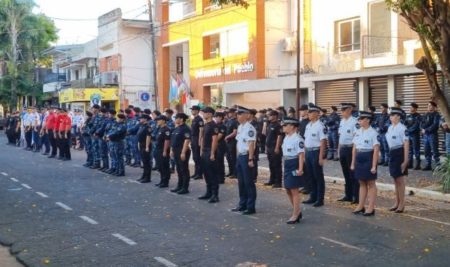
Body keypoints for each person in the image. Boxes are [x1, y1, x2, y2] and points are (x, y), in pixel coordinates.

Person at [351, 111, 380, 216]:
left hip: (368, 157)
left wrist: (373, 165)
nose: (359, 121)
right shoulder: (358, 131)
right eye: (359, 119)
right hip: (359, 157)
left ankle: (371, 207)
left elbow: (376, 150)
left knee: (371, 183)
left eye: (361, 119)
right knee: (362, 183)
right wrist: (353, 163)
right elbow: (354, 148)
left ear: (368, 120)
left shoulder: (373, 132)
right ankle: (360, 205)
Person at [231, 106, 257, 215]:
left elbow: (251, 144)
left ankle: (250, 207)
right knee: (241, 182)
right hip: (240, 156)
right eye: (238, 114)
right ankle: (242, 204)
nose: (238, 116)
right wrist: (238, 156)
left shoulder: (250, 128)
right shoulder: (240, 127)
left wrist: (250, 158)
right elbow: (238, 143)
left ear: (247, 115)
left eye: (240, 114)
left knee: (248, 182)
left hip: (247, 156)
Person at [281, 117, 305, 224]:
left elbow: (301, 154)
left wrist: (300, 169)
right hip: (287, 163)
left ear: (293, 127)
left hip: (294, 163)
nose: (284, 127)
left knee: (294, 190)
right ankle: (297, 210)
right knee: (287, 189)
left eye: (286, 125)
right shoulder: (286, 137)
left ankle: (295, 214)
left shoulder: (298, 139)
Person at [302, 104, 327, 207]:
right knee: (310, 176)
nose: (309, 114)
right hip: (308, 152)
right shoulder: (308, 125)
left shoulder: (320, 126)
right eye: (308, 112)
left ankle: (320, 199)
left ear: (317, 114)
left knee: (318, 176)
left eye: (311, 112)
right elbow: (305, 140)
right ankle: (313, 196)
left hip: (316, 152)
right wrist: (304, 154)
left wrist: (321, 157)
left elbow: (323, 142)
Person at [386, 107, 409, 213]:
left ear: (398, 116)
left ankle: (402, 204)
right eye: (390, 115)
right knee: (395, 180)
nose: (391, 117)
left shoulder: (402, 128)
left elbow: (406, 144)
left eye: (393, 115)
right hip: (392, 153)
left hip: (399, 152)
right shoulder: (390, 128)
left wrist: (405, 160)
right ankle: (397, 202)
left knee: (400, 180)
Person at [337, 103, 359, 204]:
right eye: (342, 110)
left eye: (344, 110)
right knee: (346, 173)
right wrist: (338, 150)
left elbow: (356, 138)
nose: (342, 112)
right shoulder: (342, 121)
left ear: (349, 110)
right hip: (343, 149)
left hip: (351, 149)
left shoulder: (354, 122)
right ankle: (348, 195)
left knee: (353, 173)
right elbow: (340, 136)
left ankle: (356, 196)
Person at [198, 107, 220, 203]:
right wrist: (202, 150)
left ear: (210, 114)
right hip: (205, 151)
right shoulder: (206, 124)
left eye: (205, 113)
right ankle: (208, 192)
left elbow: (215, 140)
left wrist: (212, 153)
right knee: (206, 173)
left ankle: (215, 195)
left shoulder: (213, 125)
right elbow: (203, 138)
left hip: (210, 152)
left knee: (212, 174)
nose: (203, 114)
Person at [169, 113, 191, 193]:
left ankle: (185, 188)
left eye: (177, 118)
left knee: (184, 169)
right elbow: (173, 140)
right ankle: (179, 185)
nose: (175, 119)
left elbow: (187, 140)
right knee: (178, 169)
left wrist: (183, 152)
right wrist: (171, 150)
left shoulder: (185, 128)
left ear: (181, 119)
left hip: (182, 151)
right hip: (176, 151)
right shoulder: (177, 128)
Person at [264, 110, 283, 188]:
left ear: (275, 116)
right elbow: (266, 135)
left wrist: (277, 147)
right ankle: (272, 180)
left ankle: (278, 182)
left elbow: (279, 136)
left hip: (274, 147)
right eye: (269, 115)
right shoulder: (269, 124)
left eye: (270, 115)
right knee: (271, 164)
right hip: (269, 147)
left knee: (277, 165)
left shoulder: (278, 125)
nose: (269, 117)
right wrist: (266, 147)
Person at [421, 101, 441, 170]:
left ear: (434, 107)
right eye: (428, 105)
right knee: (426, 151)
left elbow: (435, 125)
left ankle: (438, 166)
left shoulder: (436, 115)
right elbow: (422, 123)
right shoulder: (425, 114)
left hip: (432, 135)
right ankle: (428, 165)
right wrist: (422, 128)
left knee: (435, 151)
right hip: (425, 136)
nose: (429, 106)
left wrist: (426, 130)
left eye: (430, 105)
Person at [154, 115, 171, 188]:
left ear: (163, 121)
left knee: (164, 166)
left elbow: (167, 141)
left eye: (159, 120)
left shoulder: (166, 129)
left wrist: (164, 151)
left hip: (163, 150)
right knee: (160, 166)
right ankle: (162, 180)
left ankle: (165, 182)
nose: (157, 121)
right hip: (158, 149)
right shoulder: (160, 128)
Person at [405, 103, 422, 170]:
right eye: (410, 107)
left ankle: (418, 164)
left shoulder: (418, 116)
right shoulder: (408, 116)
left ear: (415, 108)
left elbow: (416, 126)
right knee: (409, 150)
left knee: (416, 150)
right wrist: (406, 130)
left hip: (415, 135)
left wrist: (408, 130)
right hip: (409, 135)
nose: (410, 109)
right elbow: (404, 124)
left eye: (411, 107)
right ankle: (410, 164)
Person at [298, 104, 310, 194]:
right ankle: (305, 185)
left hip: (307, 146)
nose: (301, 112)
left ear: (306, 111)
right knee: (303, 168)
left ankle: (309, 187)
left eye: (302, 110)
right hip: (301, 146)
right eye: (300, 110)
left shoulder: (308, 122)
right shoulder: (301, 121)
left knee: (308, 168)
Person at [137, 114, 152, 183]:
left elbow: (148, 137)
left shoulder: (148, 127)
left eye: (141, 118)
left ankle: (147, 177)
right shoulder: (142, 126)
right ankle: (144, 175)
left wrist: (147, 147)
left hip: (145, 145)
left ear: (145, 119)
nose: (140, 119)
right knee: (144, 161)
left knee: (146, 162)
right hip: (141, 144)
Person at [190, 105, 204, 180]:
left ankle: (199, 174)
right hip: (193, 138)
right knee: (195, 157)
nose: (192, 111)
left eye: (193, 110)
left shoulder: (199, 119)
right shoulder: (194, 119)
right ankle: (196, 173)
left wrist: (199, 140)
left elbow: (201, 130)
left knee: (198, 157)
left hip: (196, 139)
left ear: (197, 111)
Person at [224, 108, 239, 178]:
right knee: (228, 158)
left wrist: (227, 137)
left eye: (229, 112)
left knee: (233, 158)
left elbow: (235, 132)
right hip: (227, 143)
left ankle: (235, 173)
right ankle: (230, 171)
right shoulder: (228, 121)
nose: (228, 114)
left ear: (233, 113)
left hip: (232, 142)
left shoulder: (235, 122)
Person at [214, 112, 227, 184]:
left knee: (220, 162)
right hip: (216, 145)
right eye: (215, 117)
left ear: (221, 117)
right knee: (216, 162)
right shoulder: (216, 125)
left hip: (220, 145)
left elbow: (219, 136)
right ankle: (217, 176)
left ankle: (221, 178)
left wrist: (213, 141)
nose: (216, 118)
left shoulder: (222, 126)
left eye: (217, 117)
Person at [249, 109, 260, 181]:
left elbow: (255, 137)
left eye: (248, 114)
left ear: (252, 115)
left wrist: (254, 147)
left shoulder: (255, 124)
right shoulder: (248, 123)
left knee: (254, 160)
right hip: (249, 145)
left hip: (254, 145)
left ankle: (254, 177)